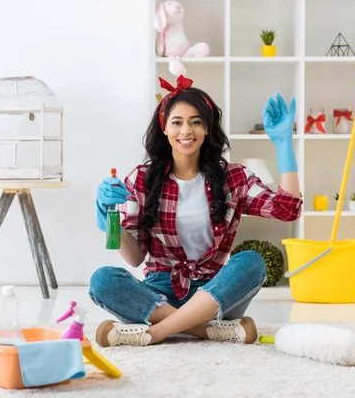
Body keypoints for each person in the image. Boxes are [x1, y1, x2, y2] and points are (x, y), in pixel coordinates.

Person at [90, 75, 303, 347]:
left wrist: (284, 144)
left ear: (207, 129)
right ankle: (206, 330)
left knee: (252, 261)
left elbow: (287, 210)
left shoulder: (233, 177)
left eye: (196, 122)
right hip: (159, 294)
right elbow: (134, 258)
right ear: (164, 129)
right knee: (103, 280)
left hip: (214, 294)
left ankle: (156, 332)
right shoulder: (141, 179)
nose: (186, 131)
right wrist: (106, 217)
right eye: (177, 122)